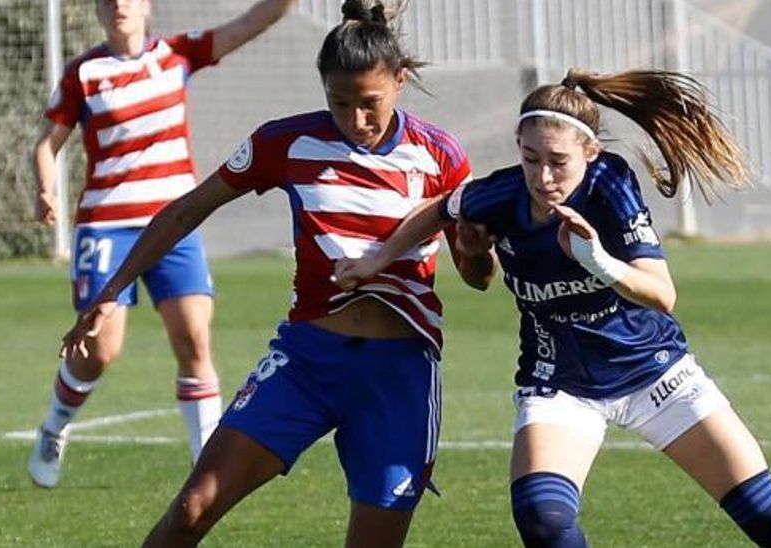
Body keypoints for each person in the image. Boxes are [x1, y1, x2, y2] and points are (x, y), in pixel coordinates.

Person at [334, 68, 771, 547]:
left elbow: (662, 294)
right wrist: (384, 257)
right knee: (543, 520)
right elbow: (446, 215)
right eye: (530, 159)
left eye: (558, 161)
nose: (543, 177)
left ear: (590, 152)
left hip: (657, 375)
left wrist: (599, 261)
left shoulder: (609, 183)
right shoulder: (502, 195)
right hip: (560, 385)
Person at [60, 1, 482, 545]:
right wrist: (113, 289)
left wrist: (473, 251)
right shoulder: (285, 142)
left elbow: (477, 275)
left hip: (398, 375)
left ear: (399, 81)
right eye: (340, 103)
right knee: (192, 508)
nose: (356, 119)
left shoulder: (440, 154)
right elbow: (188, 208)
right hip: (307, 362)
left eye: (370, 103)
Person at [28, 0, 299, 488]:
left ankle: (207, 464)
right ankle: (54, 425)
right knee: (100, 349)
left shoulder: (177, 55)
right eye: (108, 1)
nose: (119, 7)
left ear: (147, 5)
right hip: (107, 226)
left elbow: (254, 21)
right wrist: (45, 187)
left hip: (174, 223)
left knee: (194, 338)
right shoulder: (85, 73)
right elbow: (47, 144)